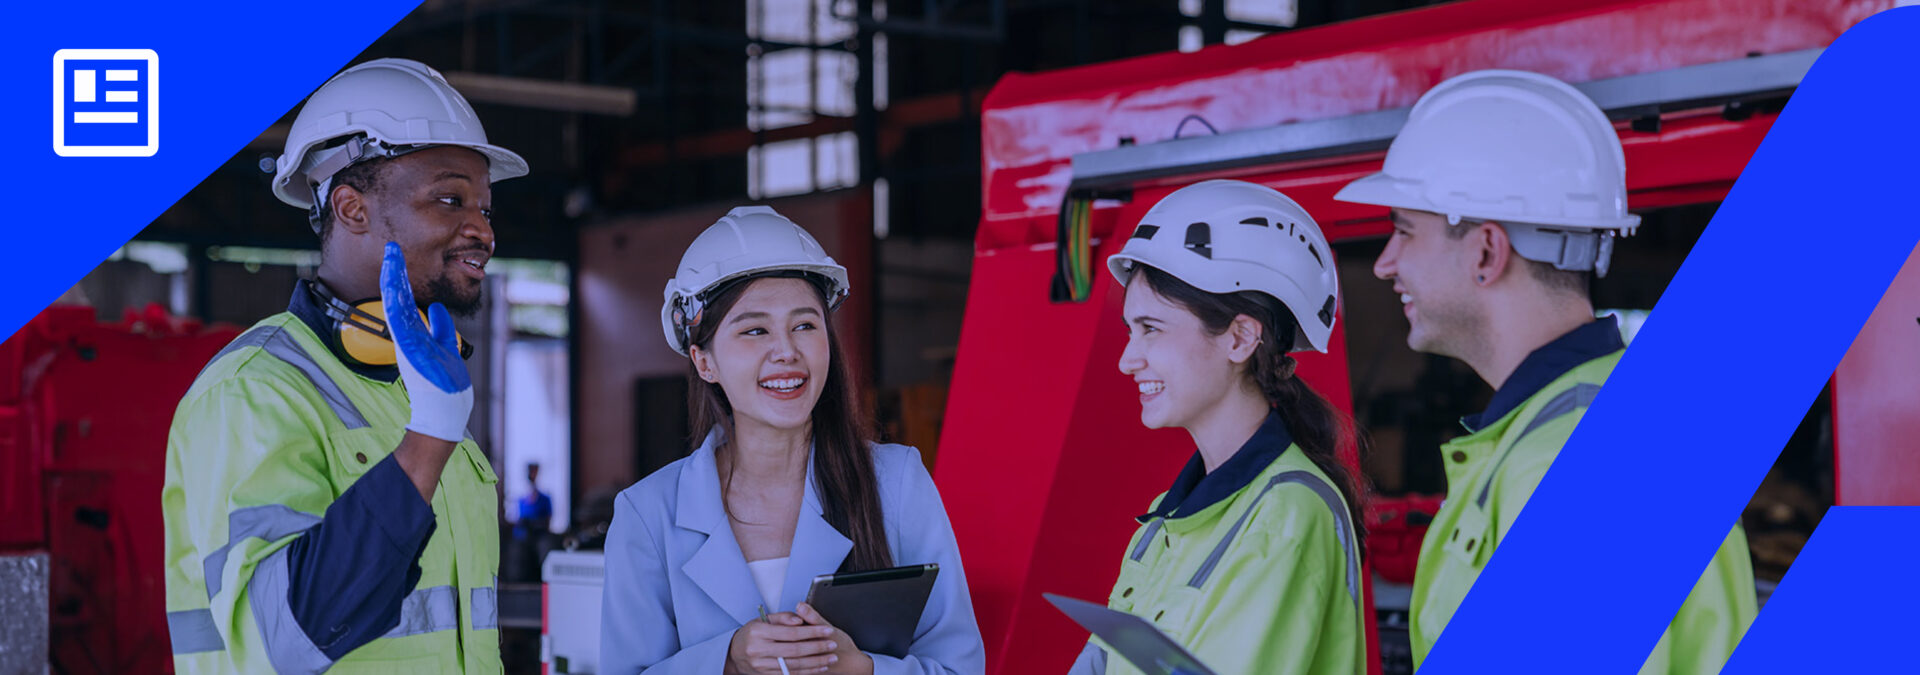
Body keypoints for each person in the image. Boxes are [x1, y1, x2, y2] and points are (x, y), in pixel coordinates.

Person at [1334, 69, 1756, 673]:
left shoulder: (1572, 461)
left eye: (1403, 232)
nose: (1383, 264)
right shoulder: (1567, 430)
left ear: (1485, 251)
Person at [161, 58, 527, 673]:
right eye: (449, 199)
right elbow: (281, 638)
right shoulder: (254, 391)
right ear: (352, 209)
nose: (482, 232)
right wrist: (427, 442)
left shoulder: (415, 393)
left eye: (485, 210)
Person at [599, 206, 985, 674]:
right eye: (755, 330)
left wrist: (865, 670)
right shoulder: (648, 516)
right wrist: (727, 661)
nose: (786, 351)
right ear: (705, 362)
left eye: (804, 325)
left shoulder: (897, 484)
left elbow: (961, 667)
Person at [1069, 180, 1368, 675]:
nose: (1127, 360)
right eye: (1130, 330)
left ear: (1240, 338)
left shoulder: (1285, 519)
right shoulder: (1163, 521)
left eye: (1151, 328)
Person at [515, 462, 554, 541]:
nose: (532, 475)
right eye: (531, 471)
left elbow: (548, 521)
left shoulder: (545, 499)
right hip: (523, 537)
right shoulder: (521, 499)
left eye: (534, 472)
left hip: (540, 535)